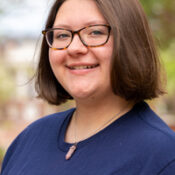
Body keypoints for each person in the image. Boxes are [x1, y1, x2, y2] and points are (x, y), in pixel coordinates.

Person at [1, 0, 175, 174]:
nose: (74, 48)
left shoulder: (162, 157)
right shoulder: (30, 138)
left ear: (130, 41)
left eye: (95, 32)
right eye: (62, 35)